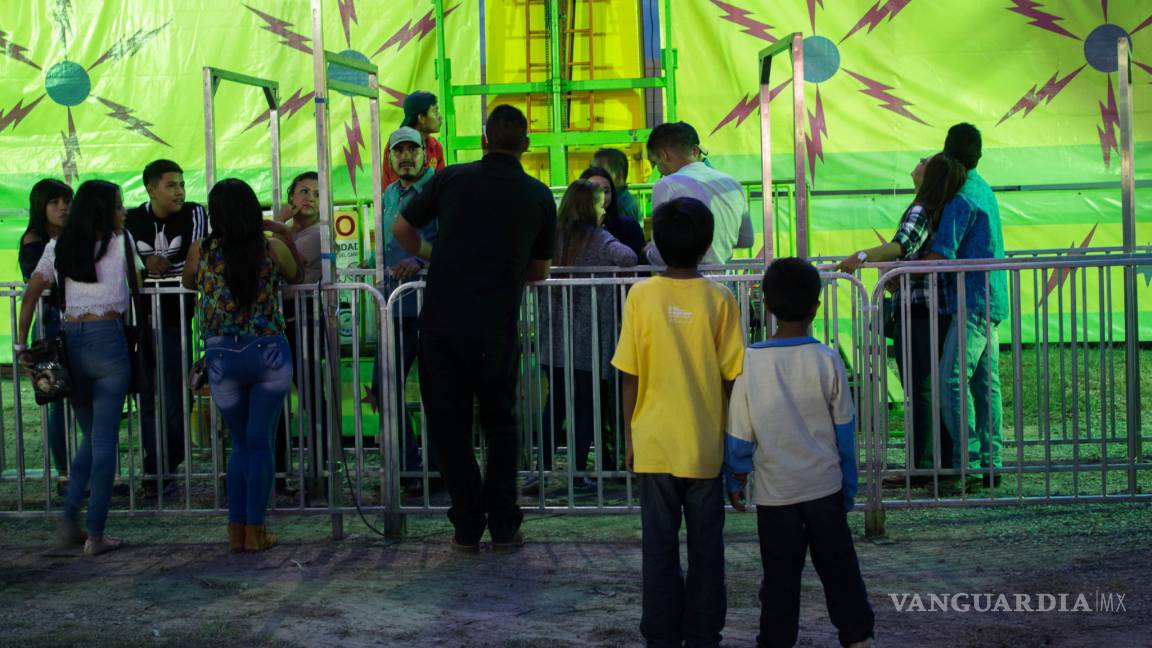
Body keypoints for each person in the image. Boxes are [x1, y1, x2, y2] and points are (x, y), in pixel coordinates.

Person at [392, 104, 556, 553]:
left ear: (484, 140)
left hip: (442, 326)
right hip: (496, 330)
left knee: (450, 428)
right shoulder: (538, 195)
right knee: (501, 426)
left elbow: (400, 227)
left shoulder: (451, 179)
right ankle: (504, 524)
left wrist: (433, 252)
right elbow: (540, 271)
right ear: (525, 145)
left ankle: (466, 524)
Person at [611, 197, 745, 647]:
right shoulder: (720, 298)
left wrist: (630, 436)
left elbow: (629, 375)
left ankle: (661, 633)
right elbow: (733, 379)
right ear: (707, 244)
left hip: (653, 443)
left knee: (658, 548)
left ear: (656, 245)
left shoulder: (641, 295)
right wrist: (736, 442)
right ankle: (705, 632)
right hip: (706, 445)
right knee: (708, 549)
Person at [724, 257, 875, 648]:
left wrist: (736, 477)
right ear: (817, 307)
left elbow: (740, 433)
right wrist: (848, 486)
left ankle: (775, 641)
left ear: (768, 307)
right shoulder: (827, 359)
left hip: (776, 495)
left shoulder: (751, 361)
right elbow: (844, 431)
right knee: (840, 569)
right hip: (824, 487)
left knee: (779, 578)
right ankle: (858, 636)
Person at [16, 179, 140, 556]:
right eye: (119, 206)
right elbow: (140, 280)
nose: (123, 212)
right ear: (106, 210)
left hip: (71, 341)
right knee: (104, 443)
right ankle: (96, 534)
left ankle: (71, 516)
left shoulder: (59, 245)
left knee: (91, 438)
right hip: (109, 340)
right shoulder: (122, 242)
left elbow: (32, 291)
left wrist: (21, 344)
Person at [182, 178, 301, 552]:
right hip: (269, 355)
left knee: (240, 445)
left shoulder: (201, 250)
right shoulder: (271, 247)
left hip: (222, 360)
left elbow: (188, 284)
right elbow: (296, 273)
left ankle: (236, 531)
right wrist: (283, 230)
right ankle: (256, 529)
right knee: (260, 440)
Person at [836, 153, 968, 483]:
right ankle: (932, 463)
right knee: (927, 388)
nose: (919, 160)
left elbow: (901, 246)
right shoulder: (931, 209)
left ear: (929, 175)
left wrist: (862, 256)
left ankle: (925, 466)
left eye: (925, 160)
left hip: (921, 311)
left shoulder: (921, 210)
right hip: (924, 308)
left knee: (922, 389)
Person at [536, 179, 637, 492]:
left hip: (553, 336)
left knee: (555, 402)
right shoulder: (599, 238)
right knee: (585, 406)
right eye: (599, 202)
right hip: (589, 339)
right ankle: (578, 474)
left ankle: (540, 469)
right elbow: (628, 258)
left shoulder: (552, 236)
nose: (603, 206)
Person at [929, 123, 1008, 489]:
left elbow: (941, 254)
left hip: (971, 300)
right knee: (984, 383)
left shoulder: (961, 197)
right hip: (991, 298)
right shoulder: (984, 189)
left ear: (947, 152)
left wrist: (901, 270)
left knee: (951, 379)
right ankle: (993, 461)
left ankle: (967, 462)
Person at [124, 159, 207, 499]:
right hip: (140, 324)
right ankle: (153, 471)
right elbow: (126, 262)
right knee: (146, 396)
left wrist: (158, 268)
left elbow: (195, 257)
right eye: (171, 184)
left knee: (177, 396)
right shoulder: (130, 219)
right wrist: (144, 264)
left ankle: (168, 464)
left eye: (182, 183)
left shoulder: (194, 213)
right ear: (151, 189)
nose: (179, 191)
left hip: (176, 321)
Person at [365, 127, 440, 489]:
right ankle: (409, 467)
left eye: (413, 150)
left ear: (426, 154)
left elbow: (450, 241)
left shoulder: (440, 191)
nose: (406, 157)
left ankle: (442, 468)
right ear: (391, 158)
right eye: (399, 151)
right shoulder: (387, 196)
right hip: (393, 306)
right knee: (384, 386)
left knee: (438, 388)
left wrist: (421, 264)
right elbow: (379, 248)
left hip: (433, 305)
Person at [274, 171, 326, 498]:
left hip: (305, 319)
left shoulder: (319, 234)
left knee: (311, 398)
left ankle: (321, 472)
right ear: (291, 197)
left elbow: (280, 261)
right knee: (274, 400)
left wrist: (277, 226)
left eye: (317, 194)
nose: (308, 198)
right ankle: (277, 472)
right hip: (280, 319)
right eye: (302, 191)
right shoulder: (286, 233)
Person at [19, 179, 73, 483]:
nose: (63, 208)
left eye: (67, 201)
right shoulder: (33, 240)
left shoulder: (75, 237)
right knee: (57, 397)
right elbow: (40, 281)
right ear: (41, 206)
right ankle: (65, 473)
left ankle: (77, 472)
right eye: (55, 202)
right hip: (49, 326)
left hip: (72, 323)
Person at [644, 122, 752, 265]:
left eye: (655, 162)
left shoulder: (666, 185)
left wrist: (647, 251)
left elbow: (659, 255)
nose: (658, 170)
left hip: (684, 281)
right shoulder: (733, 184)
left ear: (663, 155)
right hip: (724, 281)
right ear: (694, 150)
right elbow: (746, 240)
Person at [579, 166, 646, 259]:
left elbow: (638, 262)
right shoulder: (568, 229)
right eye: (594, 191)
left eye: (606, 191)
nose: (601, 197)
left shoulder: (629, 226)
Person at [383, 91, 447, 187]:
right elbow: (399, 190)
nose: (440, 117)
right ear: (421, 118)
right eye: (435, 111)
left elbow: (441, 185)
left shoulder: (436, 147)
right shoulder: (395, 147)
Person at [592, 147, 642, 225]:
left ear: (619, 174)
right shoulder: (627, 200)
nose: (592, 175)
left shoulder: (617, 207)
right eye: (591, 169)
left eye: (600, 171)